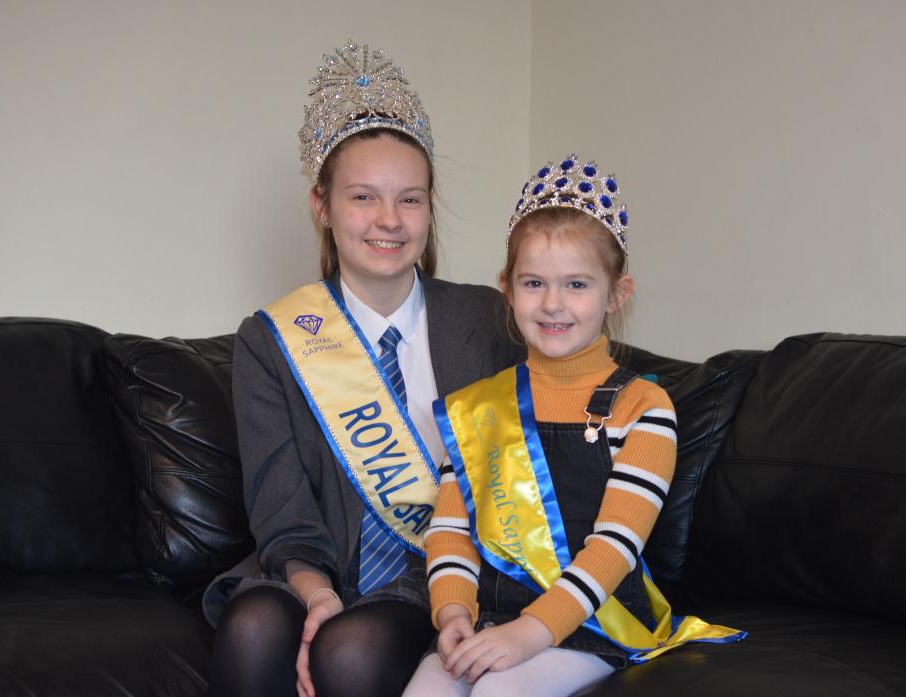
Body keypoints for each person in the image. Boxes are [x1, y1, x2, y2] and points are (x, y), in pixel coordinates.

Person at [203, 40, 520, 697]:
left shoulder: (488, 321)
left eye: (409, 199)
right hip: (309, 566)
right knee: (255, 624)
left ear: (429, 211)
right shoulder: (271, 341)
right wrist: (317, 595)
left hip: (433, 576)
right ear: (322, 206)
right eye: (363, 197)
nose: (388, 220)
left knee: (350, 650)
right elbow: (280, 503)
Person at [404, 155, 746, 697]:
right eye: (534, 282)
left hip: (592, 622)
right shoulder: (478, 408)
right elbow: (451, 531)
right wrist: (450, 612)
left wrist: (530, 633)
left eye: (577, 285)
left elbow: (614, 547)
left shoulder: (643, 408)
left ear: (616, 294)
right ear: (507, 289)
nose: (553, 303)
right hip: (489, 618)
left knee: (499, 693)